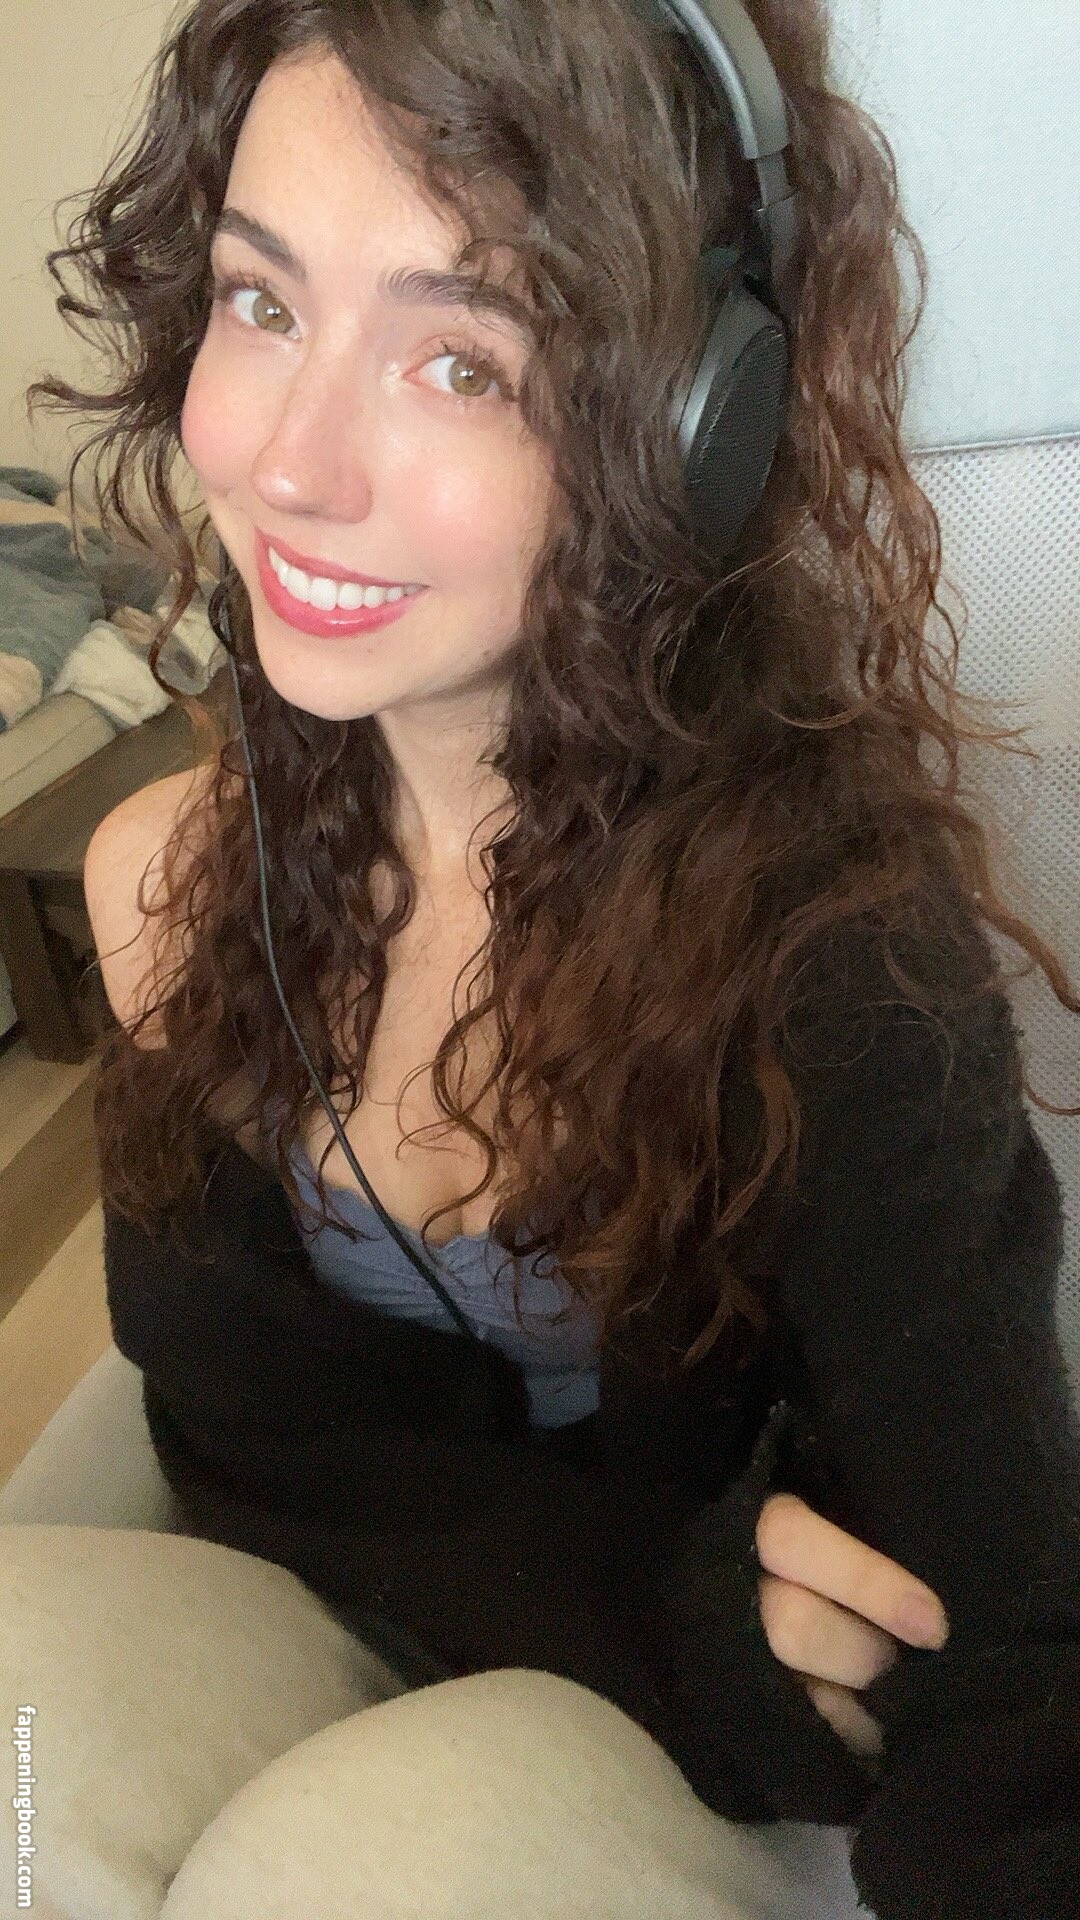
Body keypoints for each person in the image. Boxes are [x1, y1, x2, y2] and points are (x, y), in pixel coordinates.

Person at [18, 1, 1079, 1915]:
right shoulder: (170, 884)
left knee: (367, 1867)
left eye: (462, 358)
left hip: (701, 1784)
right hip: (491, 1636)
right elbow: (246, 1444)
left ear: (692, 428)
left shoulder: (839, 967)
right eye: (261, 302)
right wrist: (662, 1610)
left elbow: (1006, 1681)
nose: (291, 464)